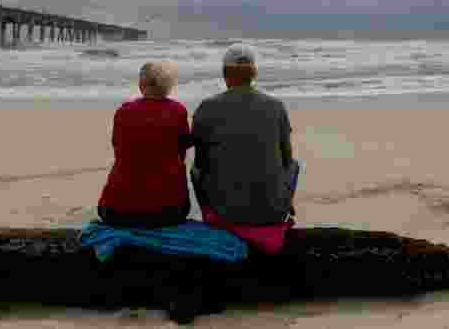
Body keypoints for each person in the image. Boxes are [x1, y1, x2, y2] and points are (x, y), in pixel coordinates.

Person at [191, 44, 300, 253]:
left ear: (224, 73)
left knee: (195, 172)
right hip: (272, 213)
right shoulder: (276, 106)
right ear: (254, 72)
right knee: (293, 166)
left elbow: (200, 163)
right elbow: (286, 159)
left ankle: (209, 214)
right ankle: (286, 206)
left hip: (224, 214)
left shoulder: (207, 107)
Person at [97, 61, 192, 228]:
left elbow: (118, 149)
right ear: (168, 86)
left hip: (117, 211)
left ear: (142, 85)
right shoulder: (178, 111)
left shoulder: (124, 112)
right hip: (169, 212)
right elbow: (181, 153)